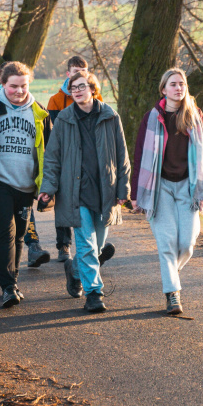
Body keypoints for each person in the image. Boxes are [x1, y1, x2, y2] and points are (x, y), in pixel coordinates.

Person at [38, 72, 130, 313]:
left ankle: (74, 270)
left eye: (81, 86)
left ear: (93, 89)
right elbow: (52, 158)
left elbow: (122, 156)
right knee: (87, 246)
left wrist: (123, 188)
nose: (77, 91)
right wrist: (48, 188)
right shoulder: (64, 119)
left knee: (97, 246)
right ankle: (94, 293)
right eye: (73, 87)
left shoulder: (110, 116)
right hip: (75, 192)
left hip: (105, 193)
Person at [130, 68, 203, 315]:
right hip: (160, 187)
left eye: (182, 84)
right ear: (163, 89)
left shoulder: (195, 115)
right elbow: (140, 155)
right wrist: (135, 193)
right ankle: (172, 294)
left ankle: (170, 273)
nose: (178, 88)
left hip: (189, 186)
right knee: (167, 242)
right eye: (173, 84)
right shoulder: (151, 117)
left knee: (187, 243)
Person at [0, 62, 52, 307]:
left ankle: (13, 282)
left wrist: (46, 185)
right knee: (5, 234)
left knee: (20, 236)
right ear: (3, 84)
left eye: (24, 85)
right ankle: (8, 287)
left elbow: (48, 151)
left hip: (26, 185)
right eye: (14, 86)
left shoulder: (39, 112)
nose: (19, 91)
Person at [45, 56, 101, 262]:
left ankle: (89, 251)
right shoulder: (56, 101)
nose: (80, 75)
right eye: (76, 71)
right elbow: (55, 135)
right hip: (65, 159)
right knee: (64, 204)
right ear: (68, 74)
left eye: (84, 71)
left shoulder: (97, 98)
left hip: (89, 162)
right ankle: (64, 245)